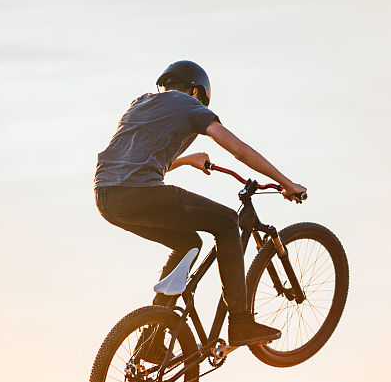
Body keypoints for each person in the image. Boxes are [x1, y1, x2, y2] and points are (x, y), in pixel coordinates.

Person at [94, 60, 307, 351]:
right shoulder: (190, 106)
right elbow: (239, 151)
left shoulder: (140, 104)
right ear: (197, 92)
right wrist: (287, 182)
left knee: (187, 243)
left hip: (107, 196)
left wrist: (184, 159)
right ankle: (241, 322)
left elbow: (133, 163)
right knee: (228, 221)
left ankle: (153, 341)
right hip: (141, 192)